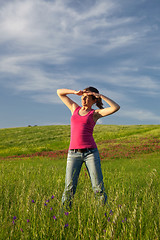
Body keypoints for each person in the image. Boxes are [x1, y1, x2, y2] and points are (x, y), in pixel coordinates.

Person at [57, 86, 120, 210]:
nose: (84, 99)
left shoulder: (95, 114)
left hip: (91, 153)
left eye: (87, 98)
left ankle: (103, 214)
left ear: (93, 101)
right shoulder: (74, 108)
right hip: (73, 154)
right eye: (83, 97)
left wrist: (100, 96)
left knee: (98, 187)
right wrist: (75, 92)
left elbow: (115, 107)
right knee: (69, 187)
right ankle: (64, 215)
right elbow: (59, 93)